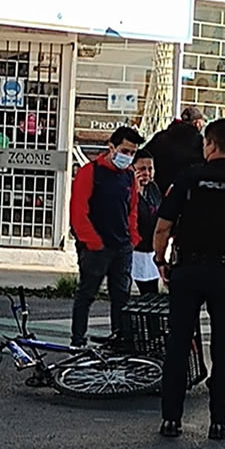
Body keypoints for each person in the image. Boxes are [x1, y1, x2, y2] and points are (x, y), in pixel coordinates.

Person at [153, 118, 225, 439]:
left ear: (212, 145)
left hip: (187, 271)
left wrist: (161, 260)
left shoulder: (188, 178)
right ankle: (219, 421)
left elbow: (163, 227)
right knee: (224, 350)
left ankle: (171, 421)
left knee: (178, 346)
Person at [69, 126, 144, 347]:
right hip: (96, 247)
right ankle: (77, 340)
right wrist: (92, 242)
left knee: (121, 297)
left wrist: (132, 238)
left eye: (132, 153)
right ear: (111, 147)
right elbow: (78, 211)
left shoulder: (129, 176)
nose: (128, 157)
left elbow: (132, 209)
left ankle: (119, 338)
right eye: (125, 151)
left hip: (121, 246)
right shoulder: (90, 172)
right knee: (86, 295)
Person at [143, 106, 206, 195]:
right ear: (197, 123)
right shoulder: (200, 142)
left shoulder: (160, 137)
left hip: (158, 190)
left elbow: (145, 155)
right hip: (186, 192)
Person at [131, 149, 162, 295]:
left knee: (151, 293)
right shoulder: (127, 190)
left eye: (150, 169)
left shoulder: (153, 189)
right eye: (142, 169)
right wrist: (135, 192)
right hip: (133, 250)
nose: (147, 173)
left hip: (150, 251)